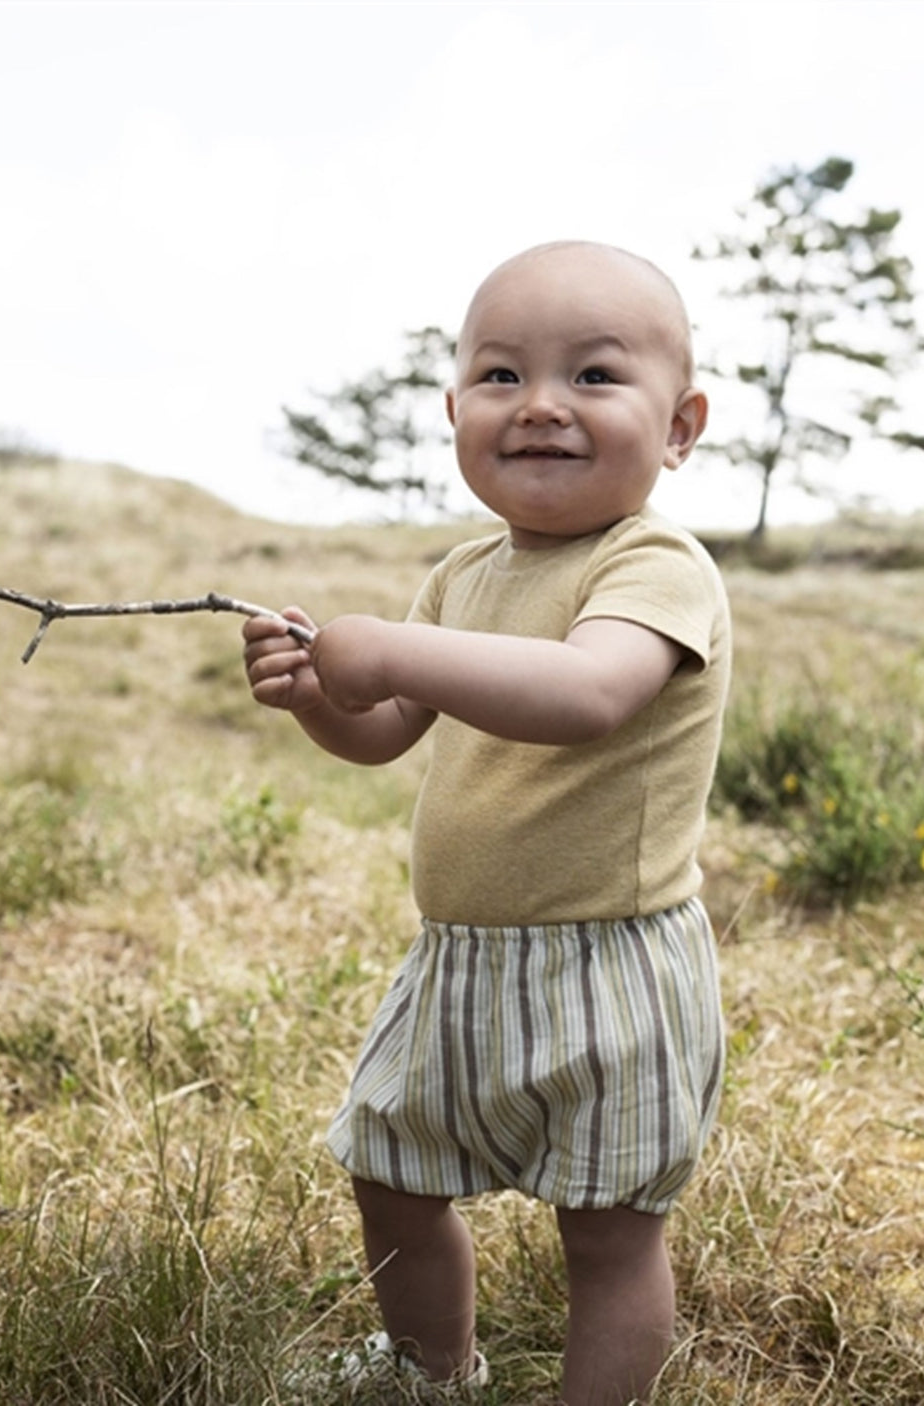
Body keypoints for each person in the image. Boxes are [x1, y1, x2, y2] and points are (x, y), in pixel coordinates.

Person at [244, 240, 731, 1406]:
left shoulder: (657, 564)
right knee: (390, 1169)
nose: (542, 407)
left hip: (610, 963)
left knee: (605, 1230)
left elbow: (583, 694)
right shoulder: (462, 576)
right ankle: (431, 1367)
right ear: (454, 406)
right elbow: (388, 727)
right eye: (502, 376)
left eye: (595, 376)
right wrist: (324, 696)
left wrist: (393, 649)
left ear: (678, 425)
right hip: (458, 954)